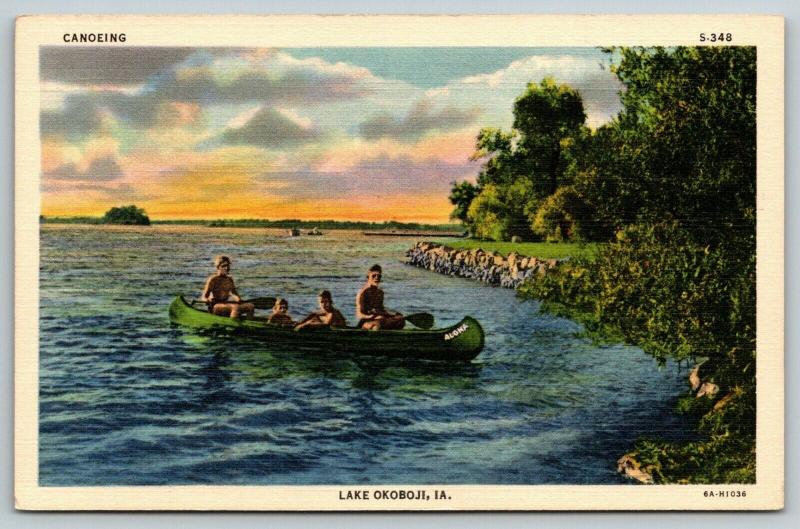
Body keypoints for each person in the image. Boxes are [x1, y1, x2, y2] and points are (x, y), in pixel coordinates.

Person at [356, 264, 405, 330]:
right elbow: (359, 314)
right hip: (367, 322)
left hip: (380, 320)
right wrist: (371, 316)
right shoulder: (363, 293)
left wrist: (393, 314)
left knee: (401, 321)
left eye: (379, 276)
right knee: (376, 327)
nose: (376, 278)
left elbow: (381, 309)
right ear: (368, 276)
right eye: (374, 276)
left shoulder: (380, 292)